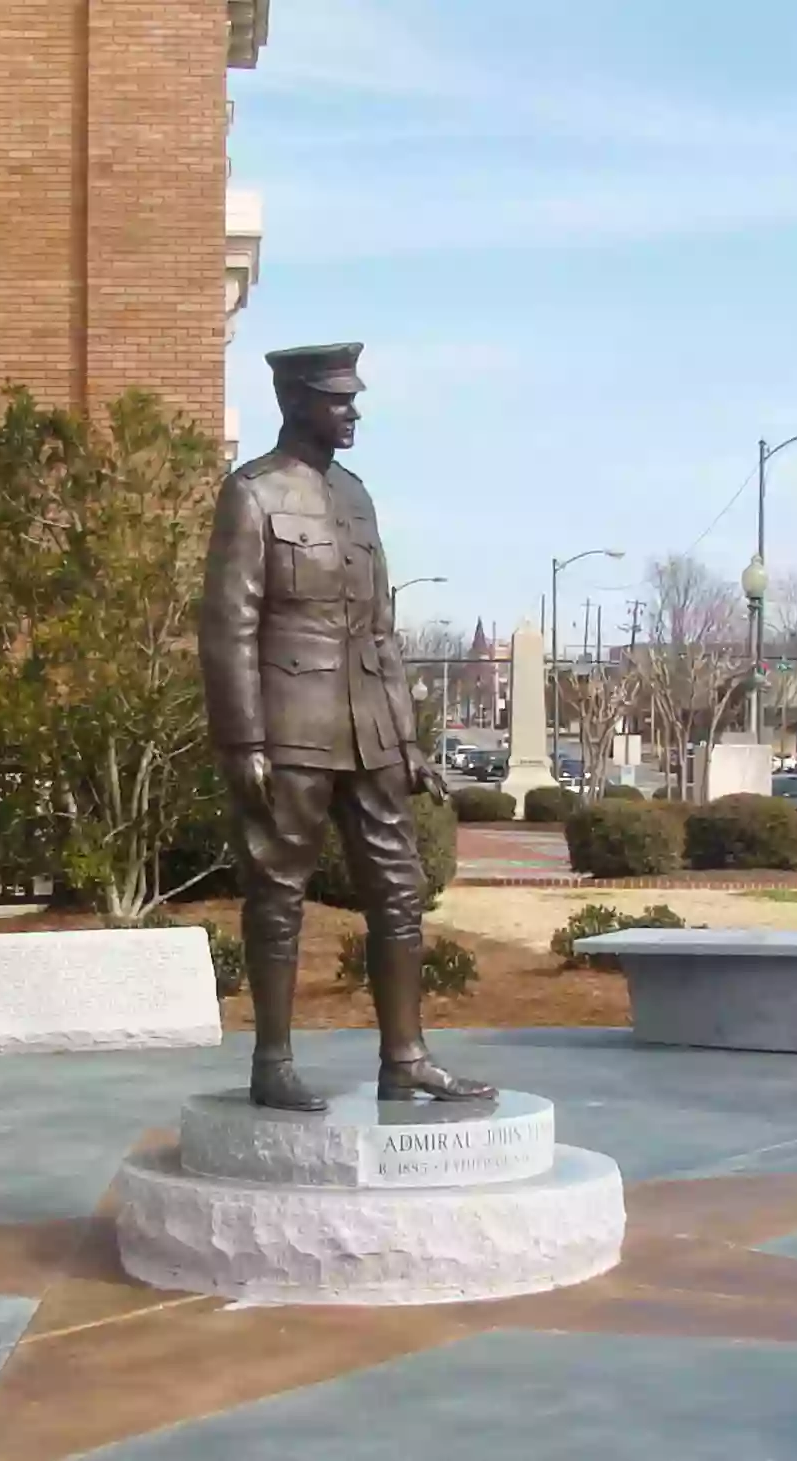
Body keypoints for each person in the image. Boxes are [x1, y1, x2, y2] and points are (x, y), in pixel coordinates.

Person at [199, 342, 496, 1113]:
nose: (352, 411)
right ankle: (272, 1060)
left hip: (368, 731)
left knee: (398, 890)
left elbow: (380, 630)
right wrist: (243, 742)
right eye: (338, 399)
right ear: (298, 402)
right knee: (277, 894)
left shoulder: (357, 498)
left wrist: (405, 741)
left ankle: (406, 1057)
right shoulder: (253, 494)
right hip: (291, 727)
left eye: (353, 398)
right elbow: (227, 627)